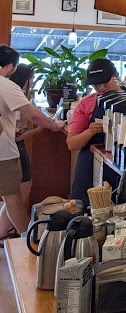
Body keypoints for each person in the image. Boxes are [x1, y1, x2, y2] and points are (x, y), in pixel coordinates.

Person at [0, 46, 65, 243]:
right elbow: (34, 115)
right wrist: (54, 126)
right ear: (10, 67)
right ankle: (25, 240)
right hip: (3, 153)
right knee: (14, 198)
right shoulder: (6, 86)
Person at [66, 58, 126, 208]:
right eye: (95, 85)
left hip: (120, 165)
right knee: (83, 210)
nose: (100, 88)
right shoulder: (86, 104)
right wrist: (89, 132)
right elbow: (72, 144)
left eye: (104, 83)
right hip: (90, 165)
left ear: (115, 76)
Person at [0, 65, 42, 240]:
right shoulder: (14, 94)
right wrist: (44, 127)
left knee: (15, 193)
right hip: (14, 148)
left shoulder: (17, 93)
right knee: (15, 194)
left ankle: (10, 230)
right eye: (32, 78)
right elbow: (17, 132)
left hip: (15, 147)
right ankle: (14, 233)